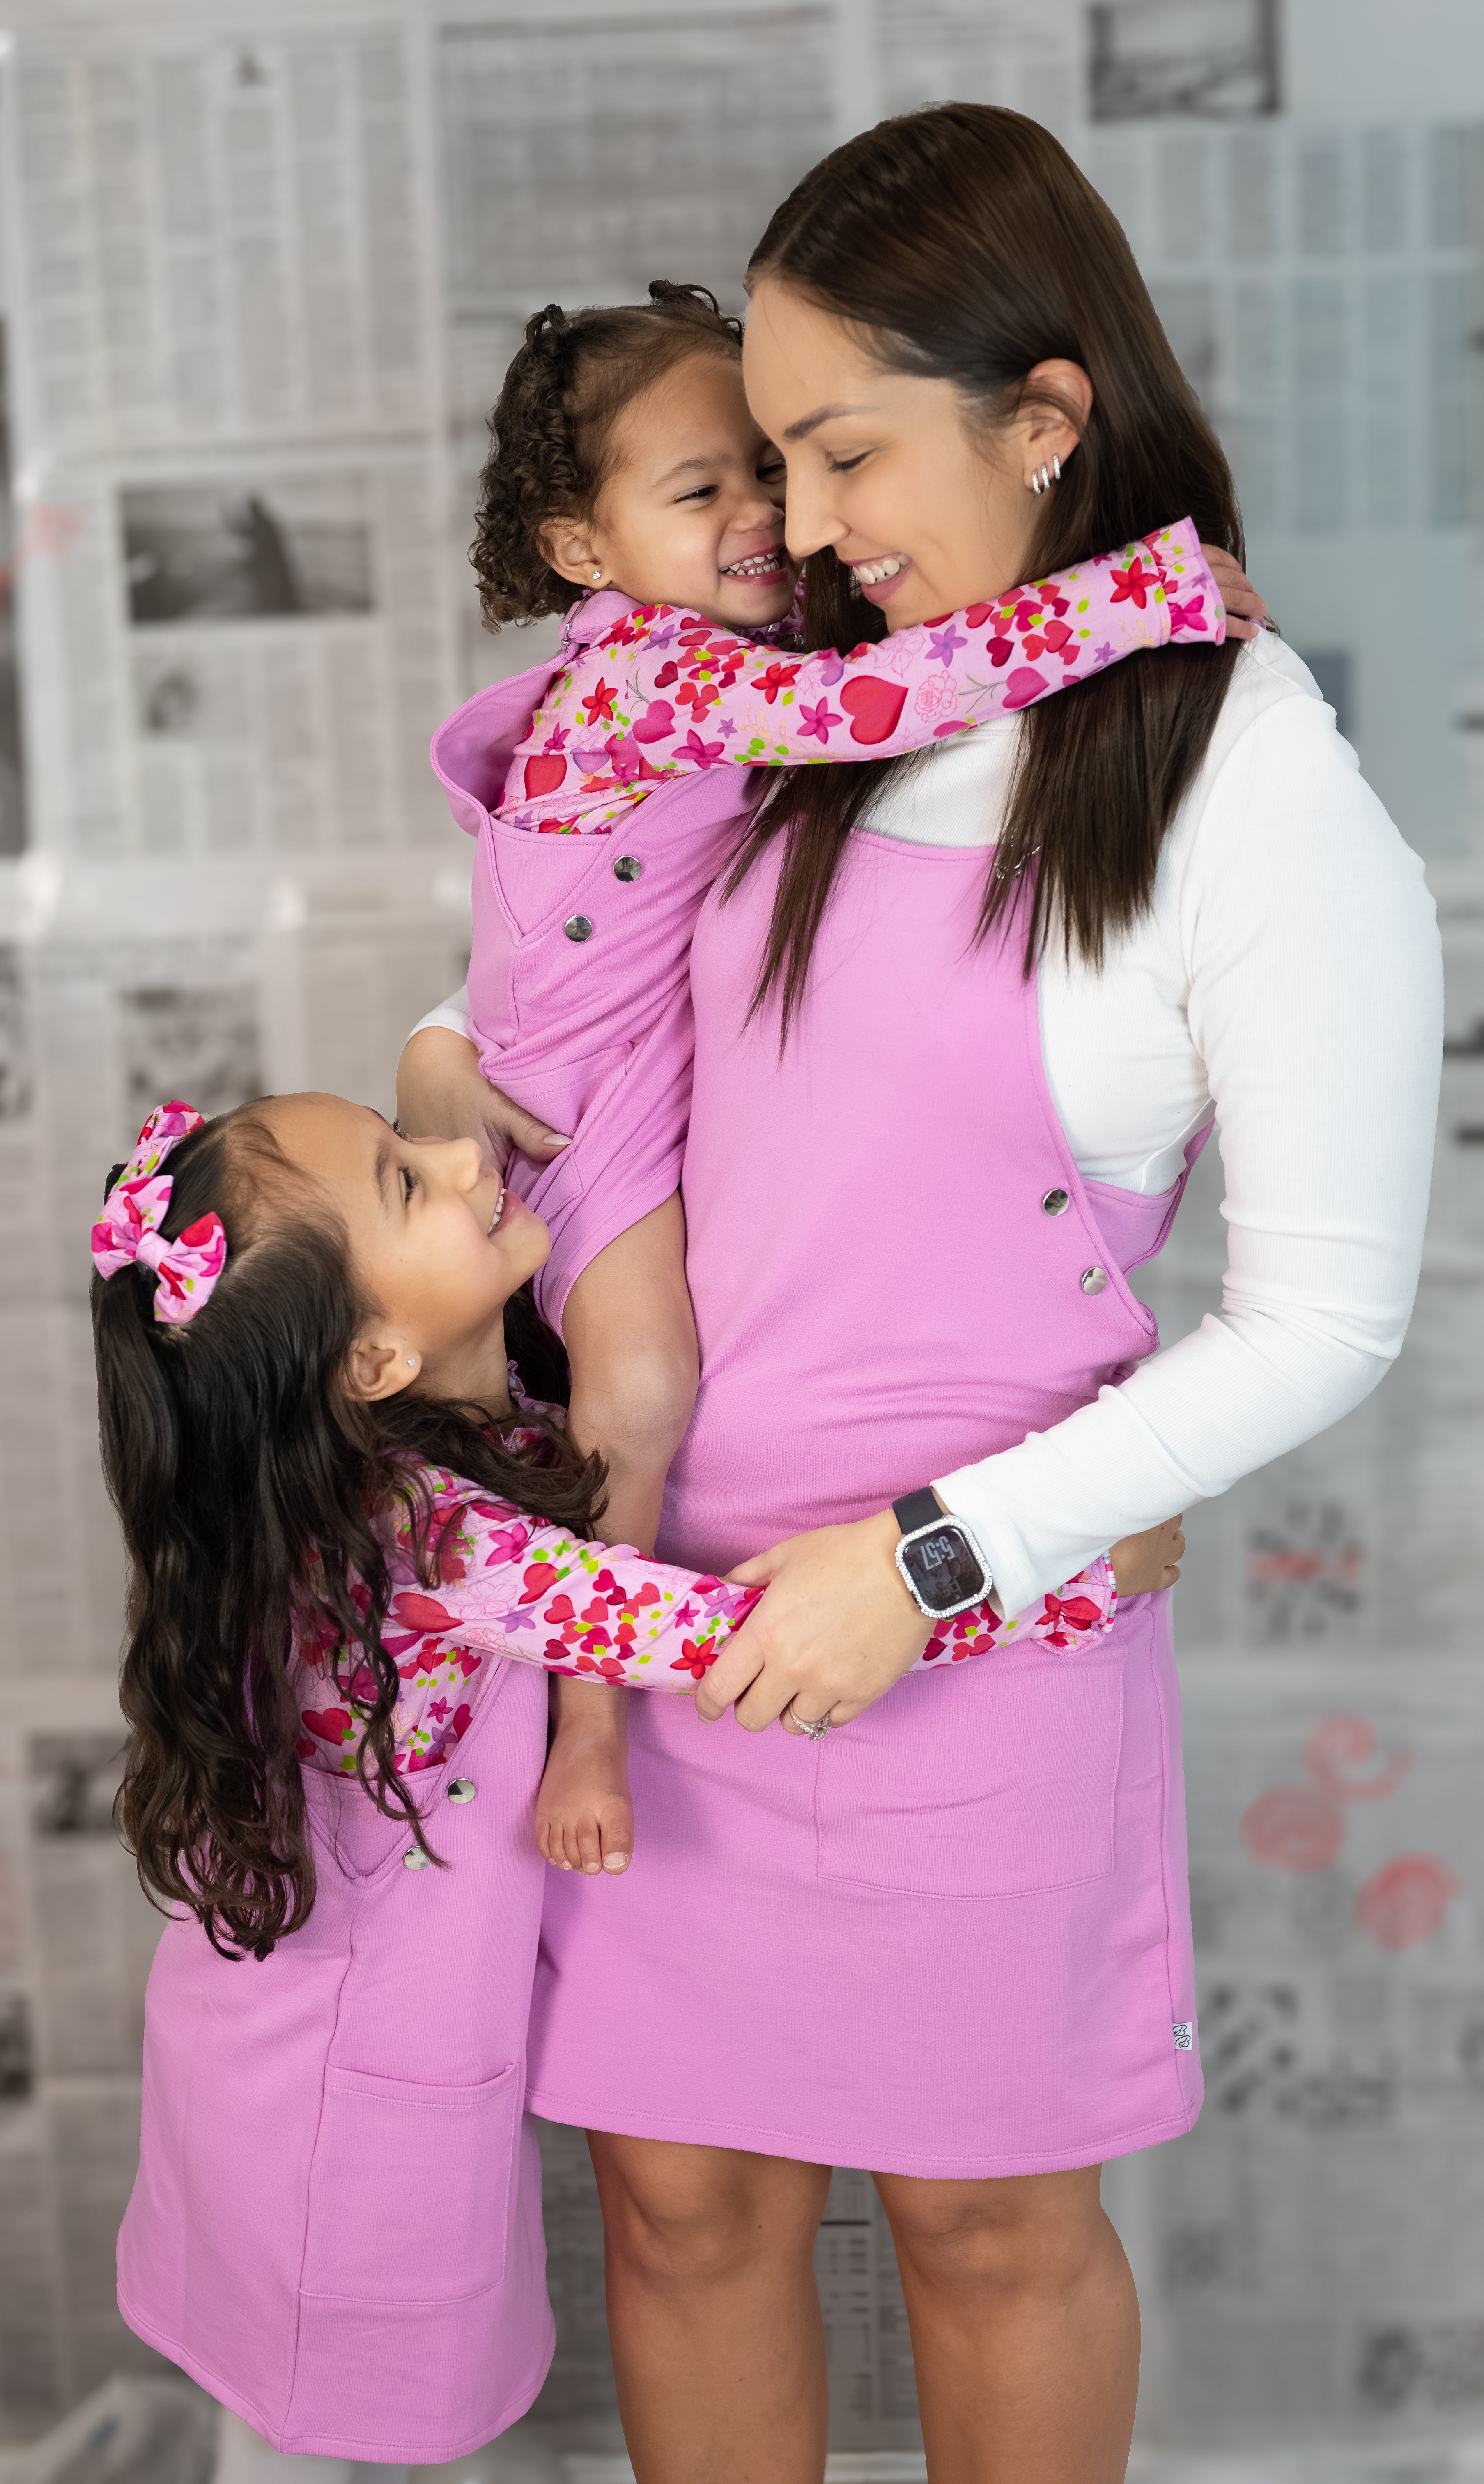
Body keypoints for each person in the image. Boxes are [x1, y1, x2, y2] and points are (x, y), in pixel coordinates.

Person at [397, 105, 1442, 2484]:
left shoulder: (1254, 787)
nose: (803, 524)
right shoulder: (809, 703)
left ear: (1046, 415)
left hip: (964, 1639)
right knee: (677, 2213)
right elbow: (587, 1003)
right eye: (768, 458)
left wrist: (942, 1558)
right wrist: (447, 1067)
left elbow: (1325, 1323)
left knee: (987, 2235)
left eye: (847, 451)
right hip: (659, 1610)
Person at [94, 1092, 1115, 2463]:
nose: (460, 1152)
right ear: (375, 1359)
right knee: (312, 2400)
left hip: (274, 2018)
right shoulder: (438, 1542)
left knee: (291, 2381)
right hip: (321, 2068)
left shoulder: (457, 1443)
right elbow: (747, 1642)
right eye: (406, 1182)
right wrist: (1064, 1569)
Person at [430, 277, 1254, 1874]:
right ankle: (588, 1719)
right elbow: (871, 703)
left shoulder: (730, 637)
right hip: (589, 1114)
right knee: (638, 1397)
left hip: (656, 1075)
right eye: (700, 492)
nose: (766, 513)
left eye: (771, 467)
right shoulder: (652, 671)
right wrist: (1134, 598)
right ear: (582, 551)